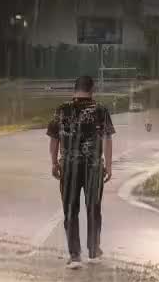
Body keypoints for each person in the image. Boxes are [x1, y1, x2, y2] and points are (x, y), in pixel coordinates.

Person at [48, 74, 115, 267]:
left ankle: (75, 255)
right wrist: (108, 166)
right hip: (93, 167)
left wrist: (54, 163)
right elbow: (107, 139)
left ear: (74, 89)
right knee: (93, 207)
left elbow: (54, 141)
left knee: (70, 209)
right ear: (92, 90)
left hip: (69, 167)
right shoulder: (100, 110)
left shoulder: (62, 110)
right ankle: (93, 250)